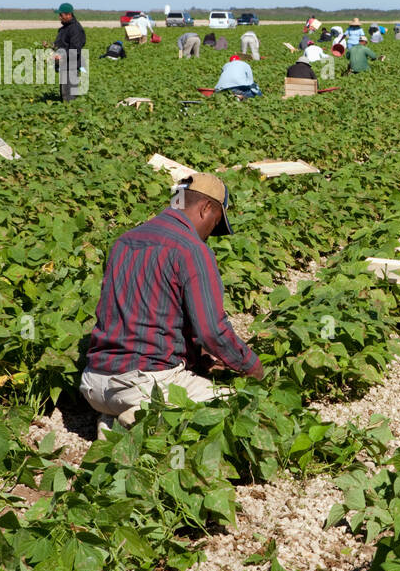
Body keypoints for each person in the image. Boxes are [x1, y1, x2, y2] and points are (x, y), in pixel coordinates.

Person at [81, 173, 264, 434]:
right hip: (145, 383)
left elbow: (140, 316)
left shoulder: (125, 241)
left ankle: (113, 420)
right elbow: (212, 331)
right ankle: (146, 418)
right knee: (242, 404)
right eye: (214, 224)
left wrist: (198, 358)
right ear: (206, 209)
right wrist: (251, 367)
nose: (209, 235)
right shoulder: (190, 250)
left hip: (94, 384)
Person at [53, 2, 86, 101]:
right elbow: (62, 44)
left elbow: (75, 49)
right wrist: (51, 47)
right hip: (64, 65)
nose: (59, 17)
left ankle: (73, 113)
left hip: (71, 66)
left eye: (61, 15)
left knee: (69, 97)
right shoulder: (65, 28)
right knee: (64, 94)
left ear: (68, 15)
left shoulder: (75, 29)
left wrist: (62, 56)